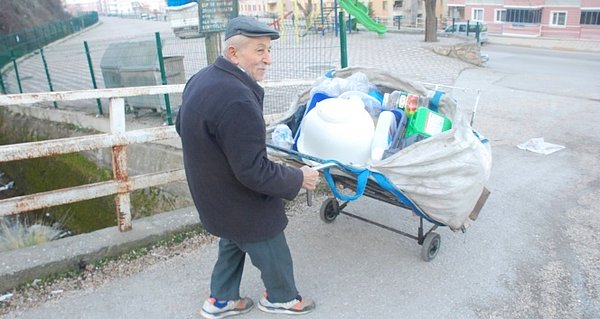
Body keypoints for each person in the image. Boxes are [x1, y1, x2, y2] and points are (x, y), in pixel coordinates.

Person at [175, 16, 320, 319]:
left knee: (233, 238)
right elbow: (254, 172)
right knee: (269, 235)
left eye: (268, 50)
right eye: (259, 50)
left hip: (211, 193)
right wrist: (299, 177)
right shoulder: (238, 98)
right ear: (233, 54)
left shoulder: (202, 78)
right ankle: (281, 297)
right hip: (238, 198)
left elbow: (181, 126)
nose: (267, 59)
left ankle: (221, 299)